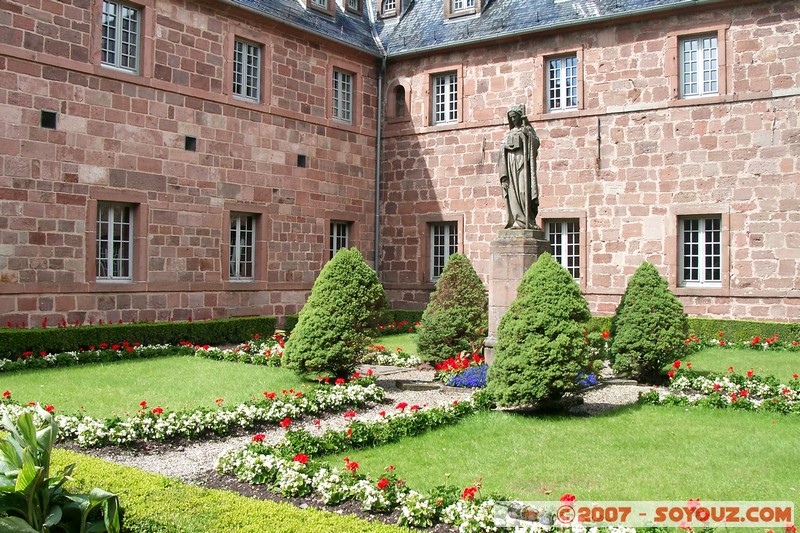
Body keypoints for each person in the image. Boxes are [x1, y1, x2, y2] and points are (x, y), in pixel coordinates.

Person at [498, 105, 540, 229]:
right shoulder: (509, 133)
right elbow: (501, 152)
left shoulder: (526, 130)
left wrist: (528, 136)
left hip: (522, 163)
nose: (513, 120)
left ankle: (528, 220)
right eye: (511, 118)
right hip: (510, 165)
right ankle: (517, 221)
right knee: (512, 193)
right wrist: (505, 147)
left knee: (523, 191)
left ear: (519, 117)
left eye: (515, 117)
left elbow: (536, 143)